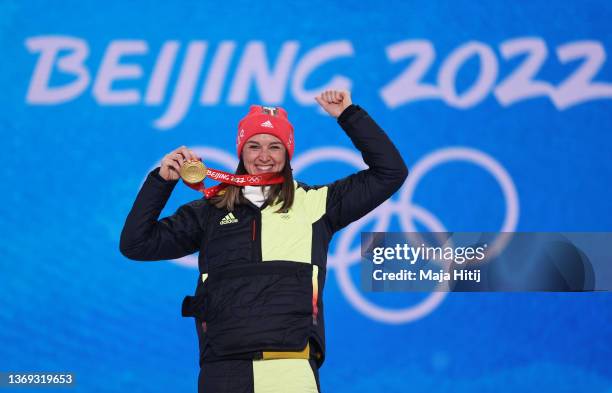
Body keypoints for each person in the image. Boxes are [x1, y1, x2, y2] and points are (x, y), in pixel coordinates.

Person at [119, 90, 408, 392]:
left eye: (275, 146)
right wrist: (161, 181)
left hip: (291, 366)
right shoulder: (208, 211)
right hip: (223, 369)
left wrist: (349, 115)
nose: (264, 156)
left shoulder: (317, 204)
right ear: (241, 153)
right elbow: (136, 243)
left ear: (288, 152)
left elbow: (390, 172)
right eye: (254, 146)